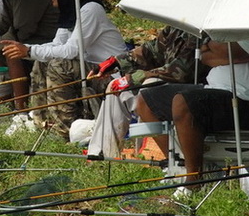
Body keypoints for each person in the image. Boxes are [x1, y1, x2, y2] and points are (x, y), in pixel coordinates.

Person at [134, 39, 249, 189]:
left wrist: (221, 51)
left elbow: (232, 52)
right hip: (216, 89)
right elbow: (206, 57)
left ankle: (193, 182)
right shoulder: (240, 26)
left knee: (183, 102)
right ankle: (179, 167)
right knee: (146, 100)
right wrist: (224, 53)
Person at [0, 0, 126, 139]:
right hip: (90, 72)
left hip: (109, 75)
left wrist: (29, 50)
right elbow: (56, 45)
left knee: (59, 65)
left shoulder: (91, 10)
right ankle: (41, 121)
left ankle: (65, 130)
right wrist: (27, 50)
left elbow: (71, 51)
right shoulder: (69, 13)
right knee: (42, 60)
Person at [86, 26, 210, 158]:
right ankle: (101, 153)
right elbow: (151, 50)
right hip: (168, 88)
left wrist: (136, 77)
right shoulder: (176, 28)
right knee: (115, 88)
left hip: (197, 92)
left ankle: (149, 154)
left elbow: (182, 71)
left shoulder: (202, 33)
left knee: (148, 87)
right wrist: (117, 62)